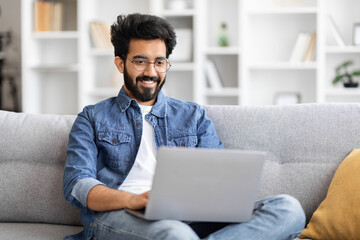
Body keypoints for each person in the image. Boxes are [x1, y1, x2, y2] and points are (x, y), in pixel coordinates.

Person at [63, 13, 305, 240]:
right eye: (140, 61)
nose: (151, 72)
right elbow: (77, 185)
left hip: (191, 216)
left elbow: (220, 178)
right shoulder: (92, 118)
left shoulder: (193, 116)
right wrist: (134, 200)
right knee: (175, 233)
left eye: (159, 62)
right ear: (120, 63)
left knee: (289, 209)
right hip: (120, 215)